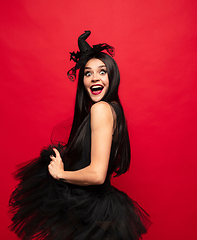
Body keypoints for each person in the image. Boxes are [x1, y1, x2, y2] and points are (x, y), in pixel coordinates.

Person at [9, 31, 151, 240]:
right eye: (87, 73)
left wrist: (60, 174)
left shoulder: (101, 109)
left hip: (93, 209)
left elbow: (96, 175)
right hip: (97, 209)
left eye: (102, 72)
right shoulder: (113, 110)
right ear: (82, 81)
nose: (94, 78)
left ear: (112, 75)